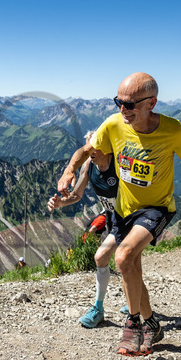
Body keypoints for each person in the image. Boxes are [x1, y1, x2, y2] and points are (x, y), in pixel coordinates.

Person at [57, 72, 181, 357]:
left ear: (151, 103)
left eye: (130, 104)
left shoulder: (172, 130)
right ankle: (152, 325)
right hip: (124, 210)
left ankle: (133, 324)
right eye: (118, 102)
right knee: (131, 268)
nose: (123, 109)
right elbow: (86, 150)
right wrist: (69, 171)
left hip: (157, 207)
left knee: (122, 258)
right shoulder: (113, 125)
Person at [48, 130, 120, 328]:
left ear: (107, 147)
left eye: (94, 148)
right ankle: (133, 303)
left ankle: (100, 308)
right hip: (111, 216)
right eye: (88, 148)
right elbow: (77, 194)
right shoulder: (88, 165)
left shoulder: (119, 164)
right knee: (124, 262)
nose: (90, 152)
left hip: (130, 218)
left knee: (108, 258)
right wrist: (60, 203)